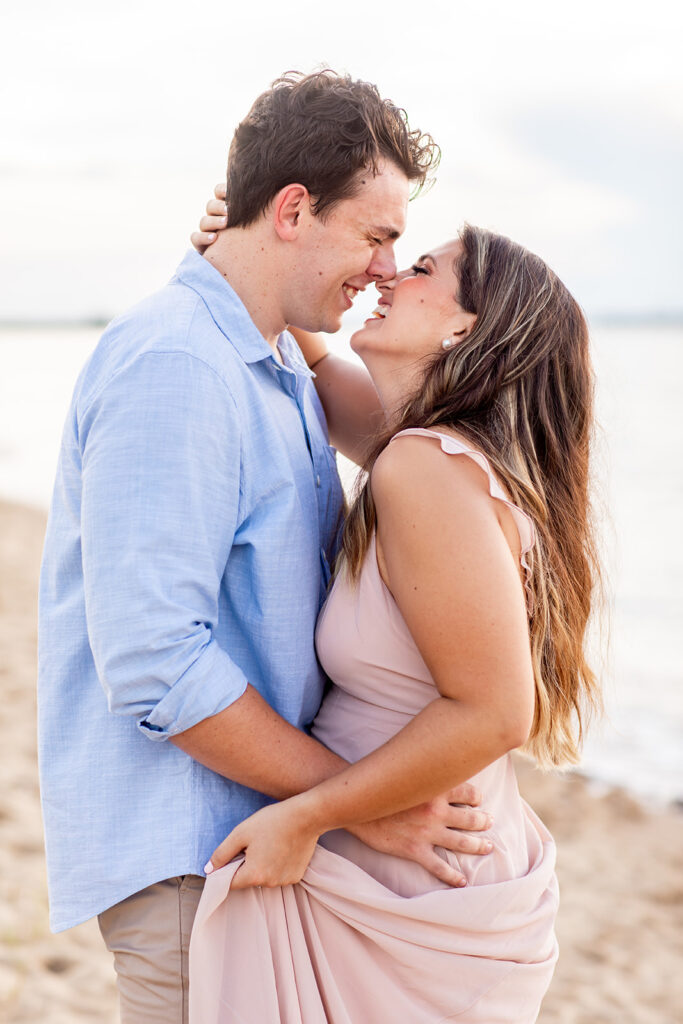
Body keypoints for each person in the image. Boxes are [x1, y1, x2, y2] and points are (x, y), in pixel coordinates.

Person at [37, 71, 491, 1024]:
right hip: (191, 856)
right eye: (374, 236)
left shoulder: (274, 355)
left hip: (252, 840)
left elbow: (407, 454)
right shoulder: (178, 366)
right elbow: (158, 662)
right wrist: (355, 801)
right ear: (293, 209)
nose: (382, 267)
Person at [187, 222, 602, 1022]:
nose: (383, 275)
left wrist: (307, 814)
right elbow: (317, 361)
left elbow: (495, 712)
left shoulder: (422, 468)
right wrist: (245, 251)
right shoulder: (427, 455)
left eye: (417, 268)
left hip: (410, 874)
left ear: (461, 328)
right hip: (428, 860)